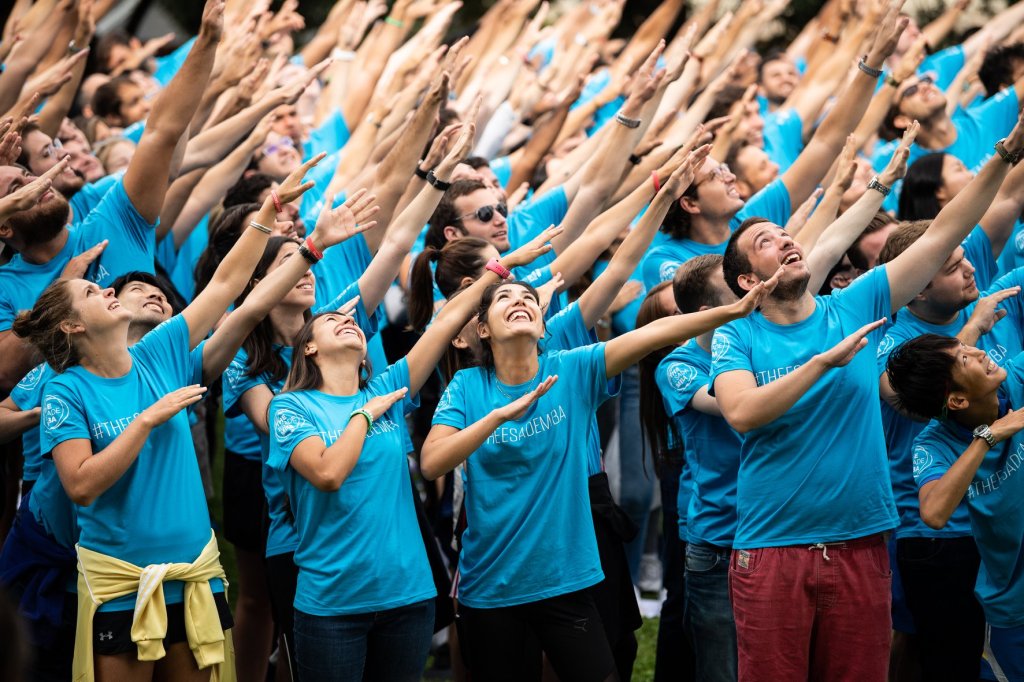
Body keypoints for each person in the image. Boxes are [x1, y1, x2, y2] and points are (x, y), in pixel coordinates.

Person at [710, 96, 1024, 680]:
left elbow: (945, 232)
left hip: (862, 540)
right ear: (749, 280)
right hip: (774, 544)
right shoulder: (738, 336)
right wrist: (821, 364)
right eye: (765, 242)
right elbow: (743, 413)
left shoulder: (854, 305)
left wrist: (1006, 153)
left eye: (785, 233)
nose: (785, 240)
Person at [8, 133, 336, 680]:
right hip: (121, 581)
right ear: (71, 327)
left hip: (194, 570)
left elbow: (232, 288)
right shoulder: (66, 390)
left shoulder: (159, 352)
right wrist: (146, 421)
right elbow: (81, 485)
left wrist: (281, 223)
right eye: (91, 293)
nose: (106, 290)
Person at [420, 258, 777, 680]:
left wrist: (732, 311)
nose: (519, 301)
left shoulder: (573, 369)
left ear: (542, 327)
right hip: (492, 583)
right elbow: (432, 462)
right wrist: (495, 418)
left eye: (528, 299)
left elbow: (654, 334)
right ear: (482, 329)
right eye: (504, 298)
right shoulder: (467, 387)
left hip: (566, 579)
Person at [268, 215, 556, 681]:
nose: (347, 322)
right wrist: (365, 415)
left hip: (408, 596)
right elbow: (327, 473)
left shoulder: (386, 387)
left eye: (351, 320)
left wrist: (503, 269)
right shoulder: (291, 407)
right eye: (333, 320)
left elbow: (446, 323)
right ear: (309, 349)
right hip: (333, 603)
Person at [885, 334, 1024, 681]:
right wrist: (989, 436)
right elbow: (934, 513)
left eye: (966, 349)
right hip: (1011, 607)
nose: (979, 352)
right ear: (958, 400)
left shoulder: (1017, 378)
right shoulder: (933, 444)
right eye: (964, 359)